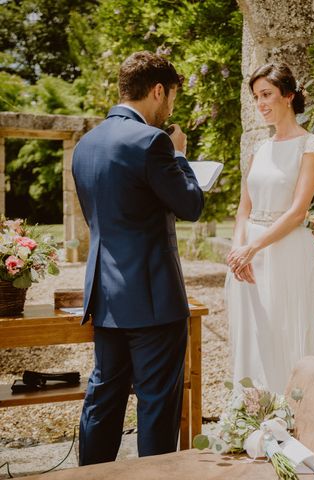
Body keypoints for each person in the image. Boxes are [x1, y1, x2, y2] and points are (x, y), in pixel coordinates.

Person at [72, 51, 204, 465]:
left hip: (105, 299)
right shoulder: (153, 141)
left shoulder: (85, 145)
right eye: (172, 99)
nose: (170, 110)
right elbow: (191, 205)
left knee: (103, 399)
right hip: (153, 303)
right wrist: (181, 156)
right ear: (158, 90)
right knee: (155, 406)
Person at [225, 62, 314, 393]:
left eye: (266, 95)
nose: (261, 104)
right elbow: (243, 209)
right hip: (248, 255)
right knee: (252, 334)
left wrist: (254, 247)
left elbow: (298, 212)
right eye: (256, 98)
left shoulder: (310, 145)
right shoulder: (258, 149)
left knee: (282, 331)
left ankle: (287, 414)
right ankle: (250, 412)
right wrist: (239, 250)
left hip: (285, 251)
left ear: (289, 96)